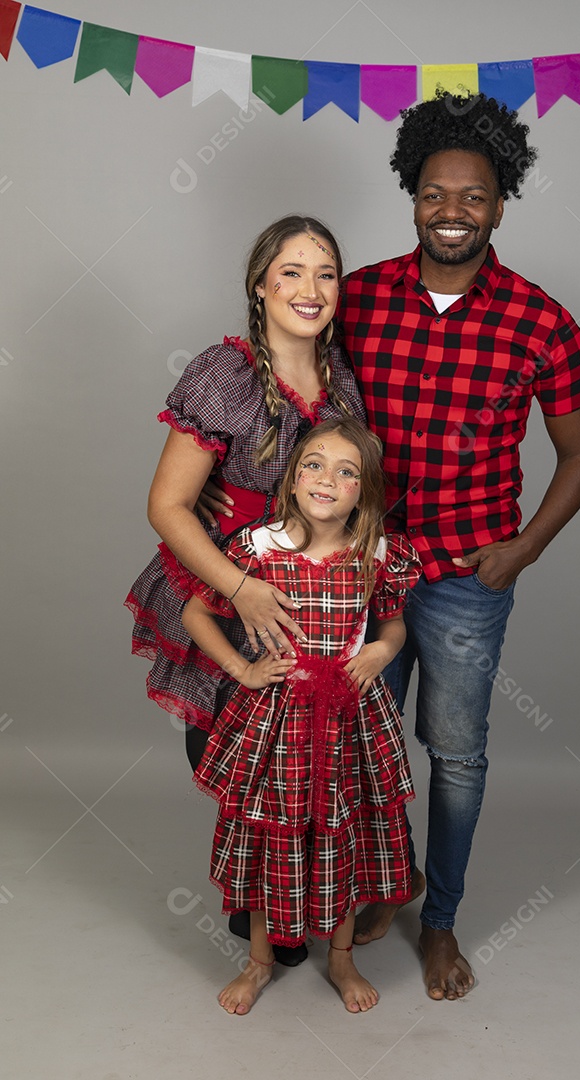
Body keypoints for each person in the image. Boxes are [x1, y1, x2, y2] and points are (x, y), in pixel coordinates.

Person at [201, 92, 580, 1002]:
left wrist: (524, 548)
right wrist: (235, 471)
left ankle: (442, 920)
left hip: (466, 576)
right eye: (433, 193)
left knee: (453, 752)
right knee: (349, 748)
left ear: (501, 204)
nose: (451, 210)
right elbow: (291, 389)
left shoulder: (543, 321)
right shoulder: (363, 296)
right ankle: (379, 888)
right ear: (411, 197)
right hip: (354, 574)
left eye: (473, 196)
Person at [125, 214, 365, 965]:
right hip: (228, 588)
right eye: (291, 271)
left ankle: (295, 902)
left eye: (325, 273)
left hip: (305, 597)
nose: (310, 287)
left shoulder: (342, 385)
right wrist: (242, 587)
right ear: (260, 287)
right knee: (238, 755)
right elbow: (166, 505)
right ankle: (258, 910)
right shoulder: (223, 374)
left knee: (297, 755)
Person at [181, 418, 421, 1015]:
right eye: (313, 464)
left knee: (344, 829)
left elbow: (392, 623)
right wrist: (242, 670)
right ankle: (260, 960)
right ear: (291, 479)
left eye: (347, 472)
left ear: (364, 491)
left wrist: (382, 651)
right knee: (272, 833)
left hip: (351, 719)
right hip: (277, 720)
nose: (327, 479)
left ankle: (341, 956)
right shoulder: (255, 550)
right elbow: (195, 614)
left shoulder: (378, 554)